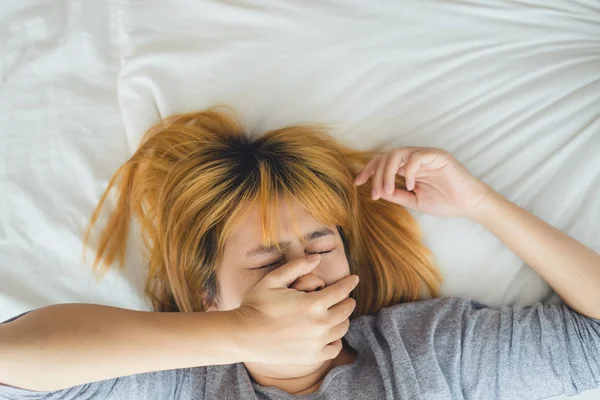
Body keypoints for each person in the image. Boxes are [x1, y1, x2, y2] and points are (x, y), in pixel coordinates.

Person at [0, 109, 598, 400]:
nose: (305, 271)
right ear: (210, 292)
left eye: (321, 244)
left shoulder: (426, 351)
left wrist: (482, 205)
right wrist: (240, 336)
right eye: (265, 260)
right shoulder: (176, 378)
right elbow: (12, 361)